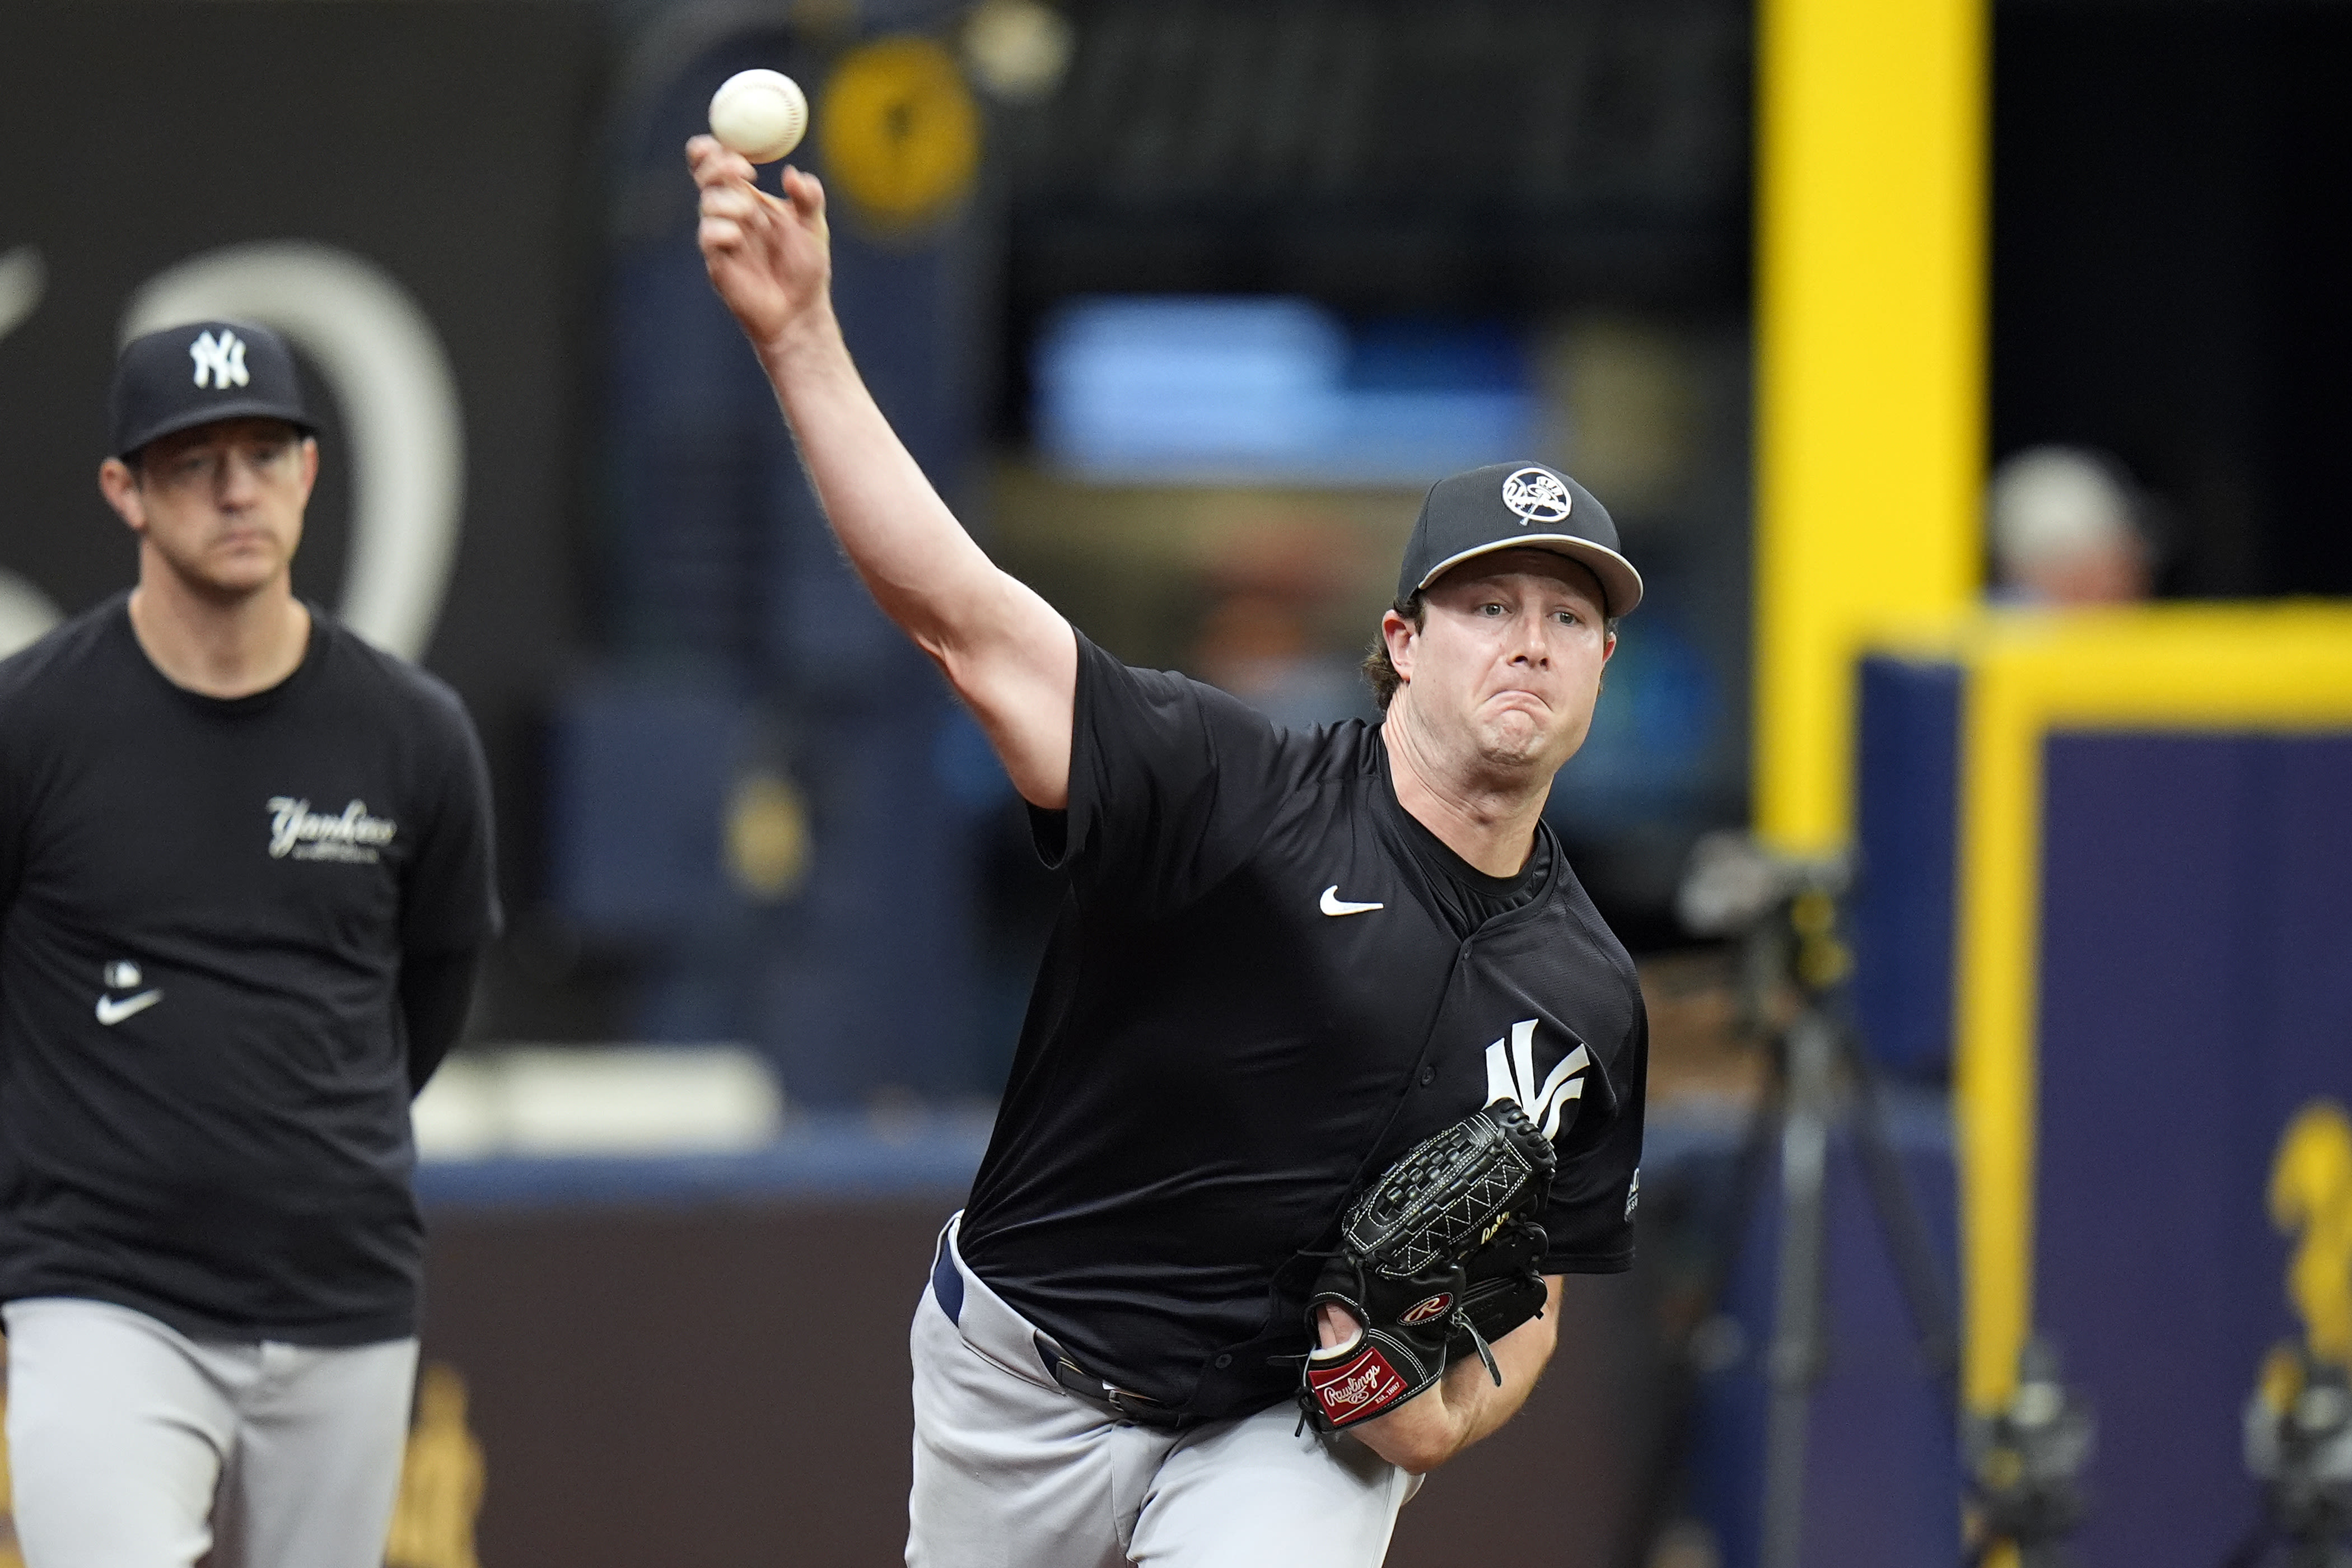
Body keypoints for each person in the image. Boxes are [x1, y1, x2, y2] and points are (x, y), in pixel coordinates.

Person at [690, 140, 1645, 1566]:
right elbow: (963, 615)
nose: (1528, 639)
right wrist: (803, 336)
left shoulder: (1589, 987)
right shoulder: (1228, 783)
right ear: (1400, 644)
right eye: (1487, 603)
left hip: (1284, 1423)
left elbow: (1540, 1279)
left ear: (1604, 659)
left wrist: (1448, 1414)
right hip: (1028, 1374)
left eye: (1568, 617)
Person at [0, 320, 500, 1568]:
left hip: (344, 1293)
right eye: (192, 460)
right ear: (125, 490)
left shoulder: (415, 733)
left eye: (267, 451)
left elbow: (430, 992)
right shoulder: (33, 724)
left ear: (312, 470)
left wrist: (310, 1122)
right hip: (98, 1288)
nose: (237, 488)